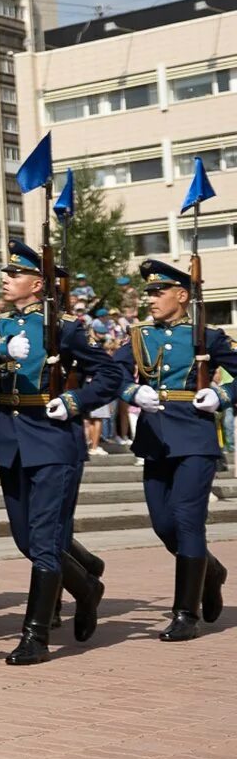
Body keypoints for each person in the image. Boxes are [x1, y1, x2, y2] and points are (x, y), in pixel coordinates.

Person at [0, 240, 124, 665]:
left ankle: (36, 634)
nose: (5, 279)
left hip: (51, 438)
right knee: (27, 539)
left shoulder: (63, 327)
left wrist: (74, 401)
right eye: (6, 273)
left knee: (45, 540)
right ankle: (86, 588)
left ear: (38, 283)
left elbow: (110, 373)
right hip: (10, 438)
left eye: (14, 274)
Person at [113, 258, 236, 640]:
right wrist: (132, 390)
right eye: (148, 292)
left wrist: (221, 395)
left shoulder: (207, 336)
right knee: (163, 525)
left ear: (182, 295)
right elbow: (110, 373)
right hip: (154, 439)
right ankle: (210, 571)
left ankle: (186, 613)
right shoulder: (139, 336)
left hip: (195, 438)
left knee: (186, 519)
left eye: (158, 291)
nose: (150, 298)